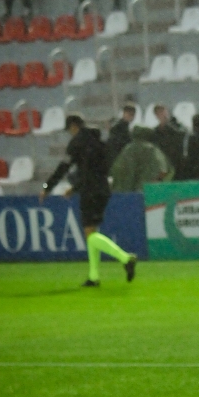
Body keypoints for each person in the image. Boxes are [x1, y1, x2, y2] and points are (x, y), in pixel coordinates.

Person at [39, 113, 137, 287]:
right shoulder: (99, 142)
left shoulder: (76, 143)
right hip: (103, 189)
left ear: (73, 126)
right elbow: (95, 169)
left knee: (90, 234)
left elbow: (64, 167)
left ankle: (125, 258)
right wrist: (75, 188)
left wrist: (47, 187)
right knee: (92, 232)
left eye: (70, 130)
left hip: (90, 191)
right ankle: (93, 276)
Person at [111, 126, 173, 191]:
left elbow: (117, 170)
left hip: (128, 191)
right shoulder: (153, 150)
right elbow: (164, 169)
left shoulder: (128, 149)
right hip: (148, 190)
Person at [149, 104, 185, 178]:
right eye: (159, 113)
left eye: (163, 112)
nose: (162, 115)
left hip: (175, 162)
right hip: (162, 163)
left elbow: (181, 135)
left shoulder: (176, 126)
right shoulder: (155, 132)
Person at [105, 99, 136, 171]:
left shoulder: (122, 126)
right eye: (130, 114)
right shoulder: (120, 127)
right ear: (124, 113)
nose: (132, 117)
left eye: (133, 115)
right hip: (120, 160)